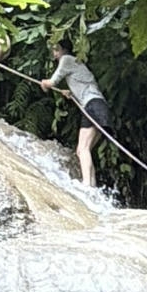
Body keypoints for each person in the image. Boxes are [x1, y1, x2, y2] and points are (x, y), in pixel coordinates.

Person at [40, 43, 112, 187]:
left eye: (56, 50)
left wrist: (44, 83)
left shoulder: (66, 59)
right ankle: (92, 184)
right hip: (99, 105)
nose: (54, 54)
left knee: (83, 149)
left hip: (92, 105)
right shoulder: (77, 62)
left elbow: (52, 81)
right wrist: (69, 93)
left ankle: (87, 185)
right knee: (84, 150)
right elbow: (83, 84)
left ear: (64, 49)